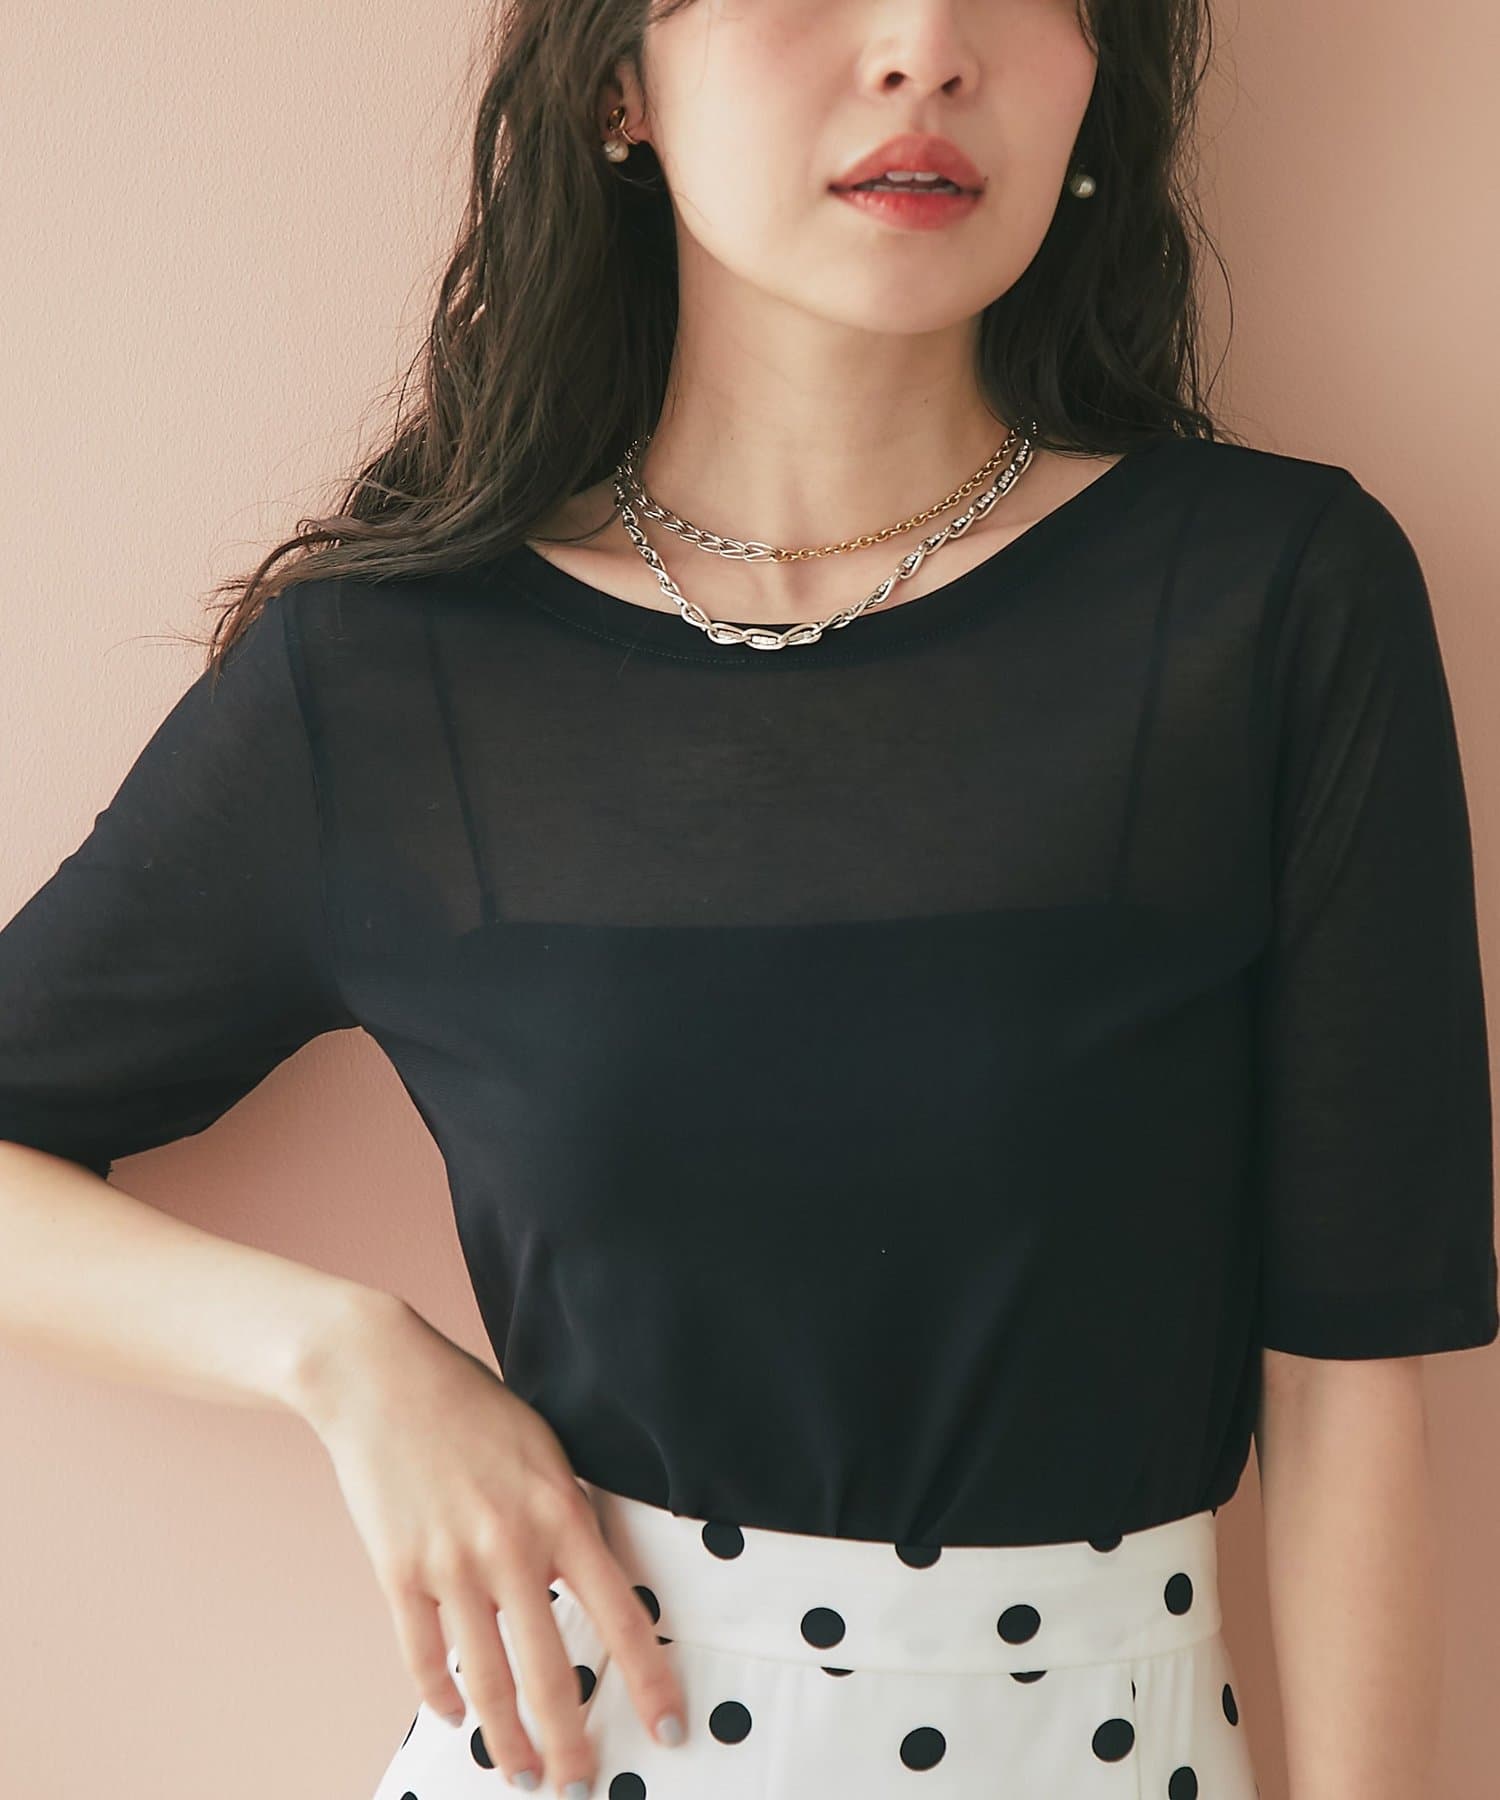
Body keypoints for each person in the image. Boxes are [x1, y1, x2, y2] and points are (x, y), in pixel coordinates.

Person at [1, 2, 1495, 1797]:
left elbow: (1350, 1374)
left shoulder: (1274, 602)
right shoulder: (393, 673)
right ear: (615, 85)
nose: (926, 46)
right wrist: (341, 1355)